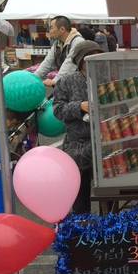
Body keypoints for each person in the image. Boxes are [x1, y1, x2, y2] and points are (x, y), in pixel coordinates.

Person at [52, 40, 104, 214]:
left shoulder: (106, 78)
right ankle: (82, 224)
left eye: (98, 56)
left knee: (108, 191)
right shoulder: (66, 82)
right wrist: (79, 106)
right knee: (80, 194)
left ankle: (108, 223)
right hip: (77, 145)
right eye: (90, 58)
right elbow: (58, 110)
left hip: (105, 142)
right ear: (81, 61)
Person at [34, 16, 85, 86]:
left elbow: (69, 65)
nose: (49, 31)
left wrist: (55, 81)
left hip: (79, 84)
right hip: (67, 83)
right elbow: (48, 62)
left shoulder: (78, 42)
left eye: (51, 28)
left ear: (62, 29)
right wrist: (34, 77)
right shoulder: (57, 43)